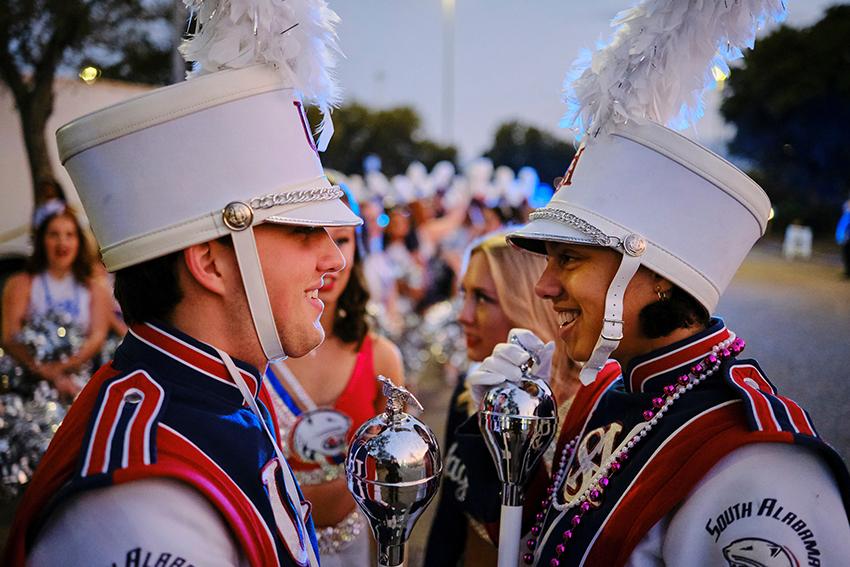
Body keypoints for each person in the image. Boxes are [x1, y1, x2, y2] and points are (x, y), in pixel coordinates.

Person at [4, 4, 357, 566]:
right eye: (302, 231)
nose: (333, 258)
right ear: (211, 263)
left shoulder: (224, 392)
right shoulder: (145, 495)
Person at [467, 119, 850, 565]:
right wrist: (509, 449)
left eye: (569, 259)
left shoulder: (758, 460)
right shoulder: (607, 391)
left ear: (658, 279)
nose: (544, 287)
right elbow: (544, 548)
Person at [264, 189, 404, 566]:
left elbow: (396, 487)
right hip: (273, 548)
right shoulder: (253, 355)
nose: (330, 259)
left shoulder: (382, 359)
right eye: (311, 236)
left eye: (341, 239)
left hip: (354, 547)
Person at [425, 232, 581, 567]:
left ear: (528, 302)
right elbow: (449, 523)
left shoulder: (587, 406)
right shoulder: (470, 393)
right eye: (464, 294)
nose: (463, 315)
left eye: (482, 298)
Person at [2, 204, 111, 399]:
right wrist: (48, 373)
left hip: (79, 384)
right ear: (42, 240)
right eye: (54, 234)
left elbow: (97, 337)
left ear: (79, 242)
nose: (63, 242)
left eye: (70, 235)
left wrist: (63, 369)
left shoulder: (96, 289)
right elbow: (10, 337)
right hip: (28, 385)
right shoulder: (20, 284)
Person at [836, 196, 850, 277]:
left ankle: (847, 272)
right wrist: (840, 237)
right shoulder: (846, 215)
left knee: (847, 254)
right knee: (846, 255)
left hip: (847, 238)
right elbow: (842, 226)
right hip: (847, 238)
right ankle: (847, 271)